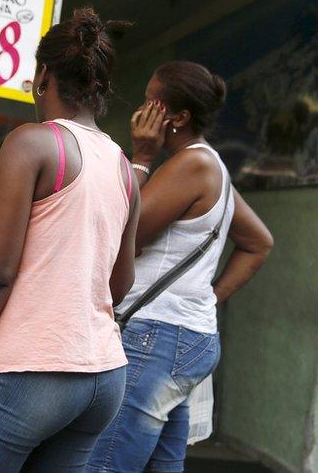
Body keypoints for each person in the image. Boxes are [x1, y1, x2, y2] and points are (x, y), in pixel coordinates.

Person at [0, 7, 140, 472]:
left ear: (43, 76)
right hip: (101, 377)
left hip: (27, 375)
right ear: (99, 86)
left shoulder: (34, 143)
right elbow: (120, 284)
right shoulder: (123, 167)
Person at [88, 61, 274, 473]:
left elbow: (121, 239)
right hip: (186, 337)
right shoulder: (211, 166)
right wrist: (206, 299)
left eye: (151, 99)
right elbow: (259, 242)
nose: (141, 108)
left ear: (179, 116)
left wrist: (141, 157)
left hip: (156, 338)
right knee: (161, 465)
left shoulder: (191, 166)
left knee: (105, 464)